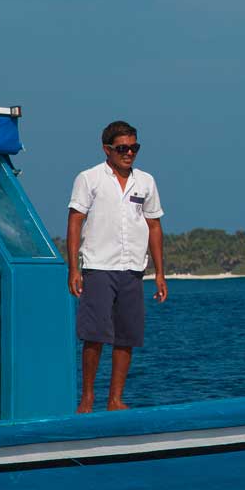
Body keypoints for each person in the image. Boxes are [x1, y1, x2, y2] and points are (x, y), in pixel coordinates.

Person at [67, 120, 168, 412]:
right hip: (98, 265)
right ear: (107, 149)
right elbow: (75, 221)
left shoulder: (146, 181)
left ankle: (115, 398)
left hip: (133, 268)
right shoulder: (89, 178)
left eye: (134, 147)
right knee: (94, 335)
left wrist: (160, 273)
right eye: (122, 148)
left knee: (127, 336)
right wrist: (73, 268)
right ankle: (87, 397)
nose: (129, 153)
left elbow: (154, 226)